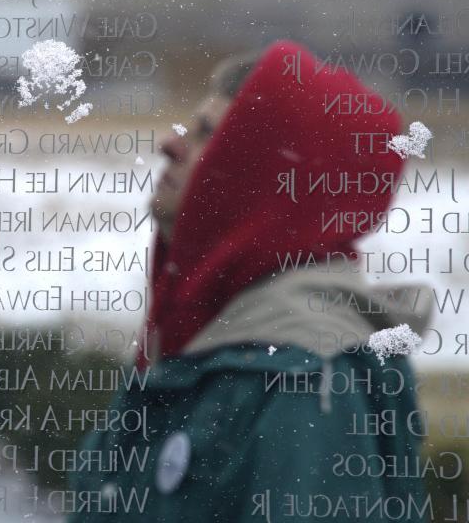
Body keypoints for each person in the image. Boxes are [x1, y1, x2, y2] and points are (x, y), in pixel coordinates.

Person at [67, 40, 434, 522]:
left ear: (259, 177)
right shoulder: (205, 339)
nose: (170, 144)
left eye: (206, 135)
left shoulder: (306, 383)